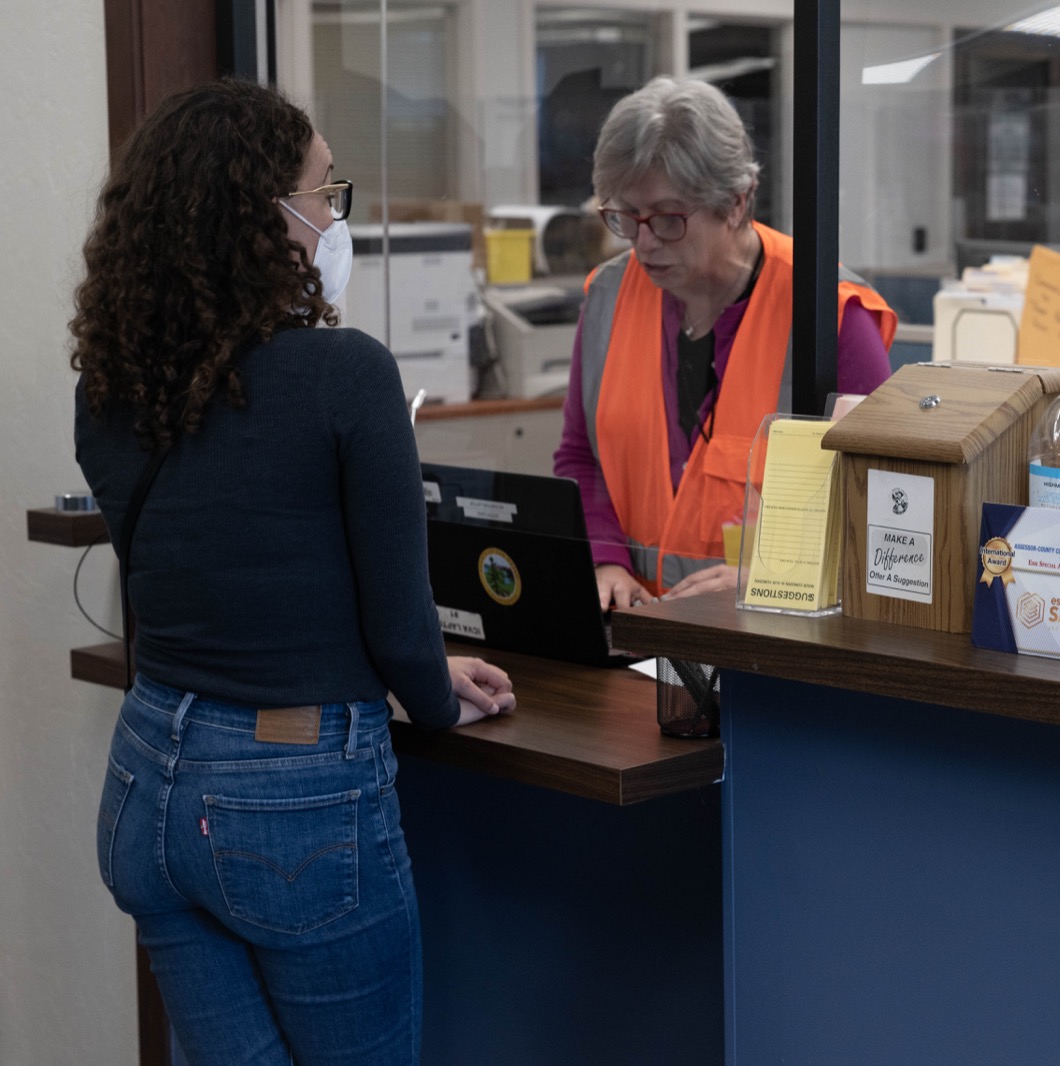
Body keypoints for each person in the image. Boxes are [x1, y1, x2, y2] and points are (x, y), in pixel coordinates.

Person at [71, 80, 515, 1066]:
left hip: (147, 777)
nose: (331, 217)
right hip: (292, 804)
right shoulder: (344, 374)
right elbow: (399, 624)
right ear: (256, 221)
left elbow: (226, 575)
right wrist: (439, 698)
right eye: (321, 193)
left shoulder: (107, 389)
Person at [554, 76, 898, 611]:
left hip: (772, 636)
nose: (644, 244)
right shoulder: (607, 296)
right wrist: (604, 558)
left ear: (735, 204)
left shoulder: (829, 314)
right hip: (636, 636)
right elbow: (580, 457)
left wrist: (767, 575)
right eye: (625, 216)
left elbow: (884, 500)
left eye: (668, 219)